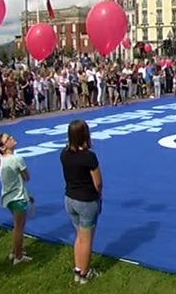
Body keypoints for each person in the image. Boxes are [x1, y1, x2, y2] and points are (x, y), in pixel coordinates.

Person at [60, 120, 103, 284]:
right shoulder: (89, 157)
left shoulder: (64, 154)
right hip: (86, 200)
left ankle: (79, 268)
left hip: (70, 198)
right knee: (86, 239)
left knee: (79, 236)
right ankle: (84, 273)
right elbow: (98, 182)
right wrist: (99, 196)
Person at [0, 133, 33, 265]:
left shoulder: (1, 159)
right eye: (8, 139)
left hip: (9, 197)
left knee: (17, 226)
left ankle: (16, 251)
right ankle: (18, 256)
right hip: (18, 198)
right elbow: (26, 177)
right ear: (3, 147)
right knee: (19, 228)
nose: (12, 138)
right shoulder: (16, 159)